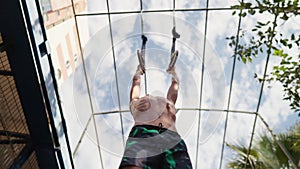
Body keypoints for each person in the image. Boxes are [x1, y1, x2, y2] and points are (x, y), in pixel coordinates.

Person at [119, 65, 193, 169]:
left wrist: (174, 73)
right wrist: (138, 72)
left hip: (172, 138)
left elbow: (175, 85)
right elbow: (135, 83)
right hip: (145, 133)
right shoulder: (136, 103)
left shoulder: (168, 103)